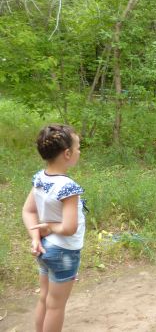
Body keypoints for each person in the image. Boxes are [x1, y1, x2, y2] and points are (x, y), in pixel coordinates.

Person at [22, 124, 85, 332]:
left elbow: (28, 211)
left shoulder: (40, 178)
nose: (79, 152)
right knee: (56, 305)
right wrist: (49, 226)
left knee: (45, 299)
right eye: (77, 148)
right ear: (67, 153)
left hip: (45, 248)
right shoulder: (68, 187)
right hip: (64, 252)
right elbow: (69, 227)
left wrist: (35, 238)